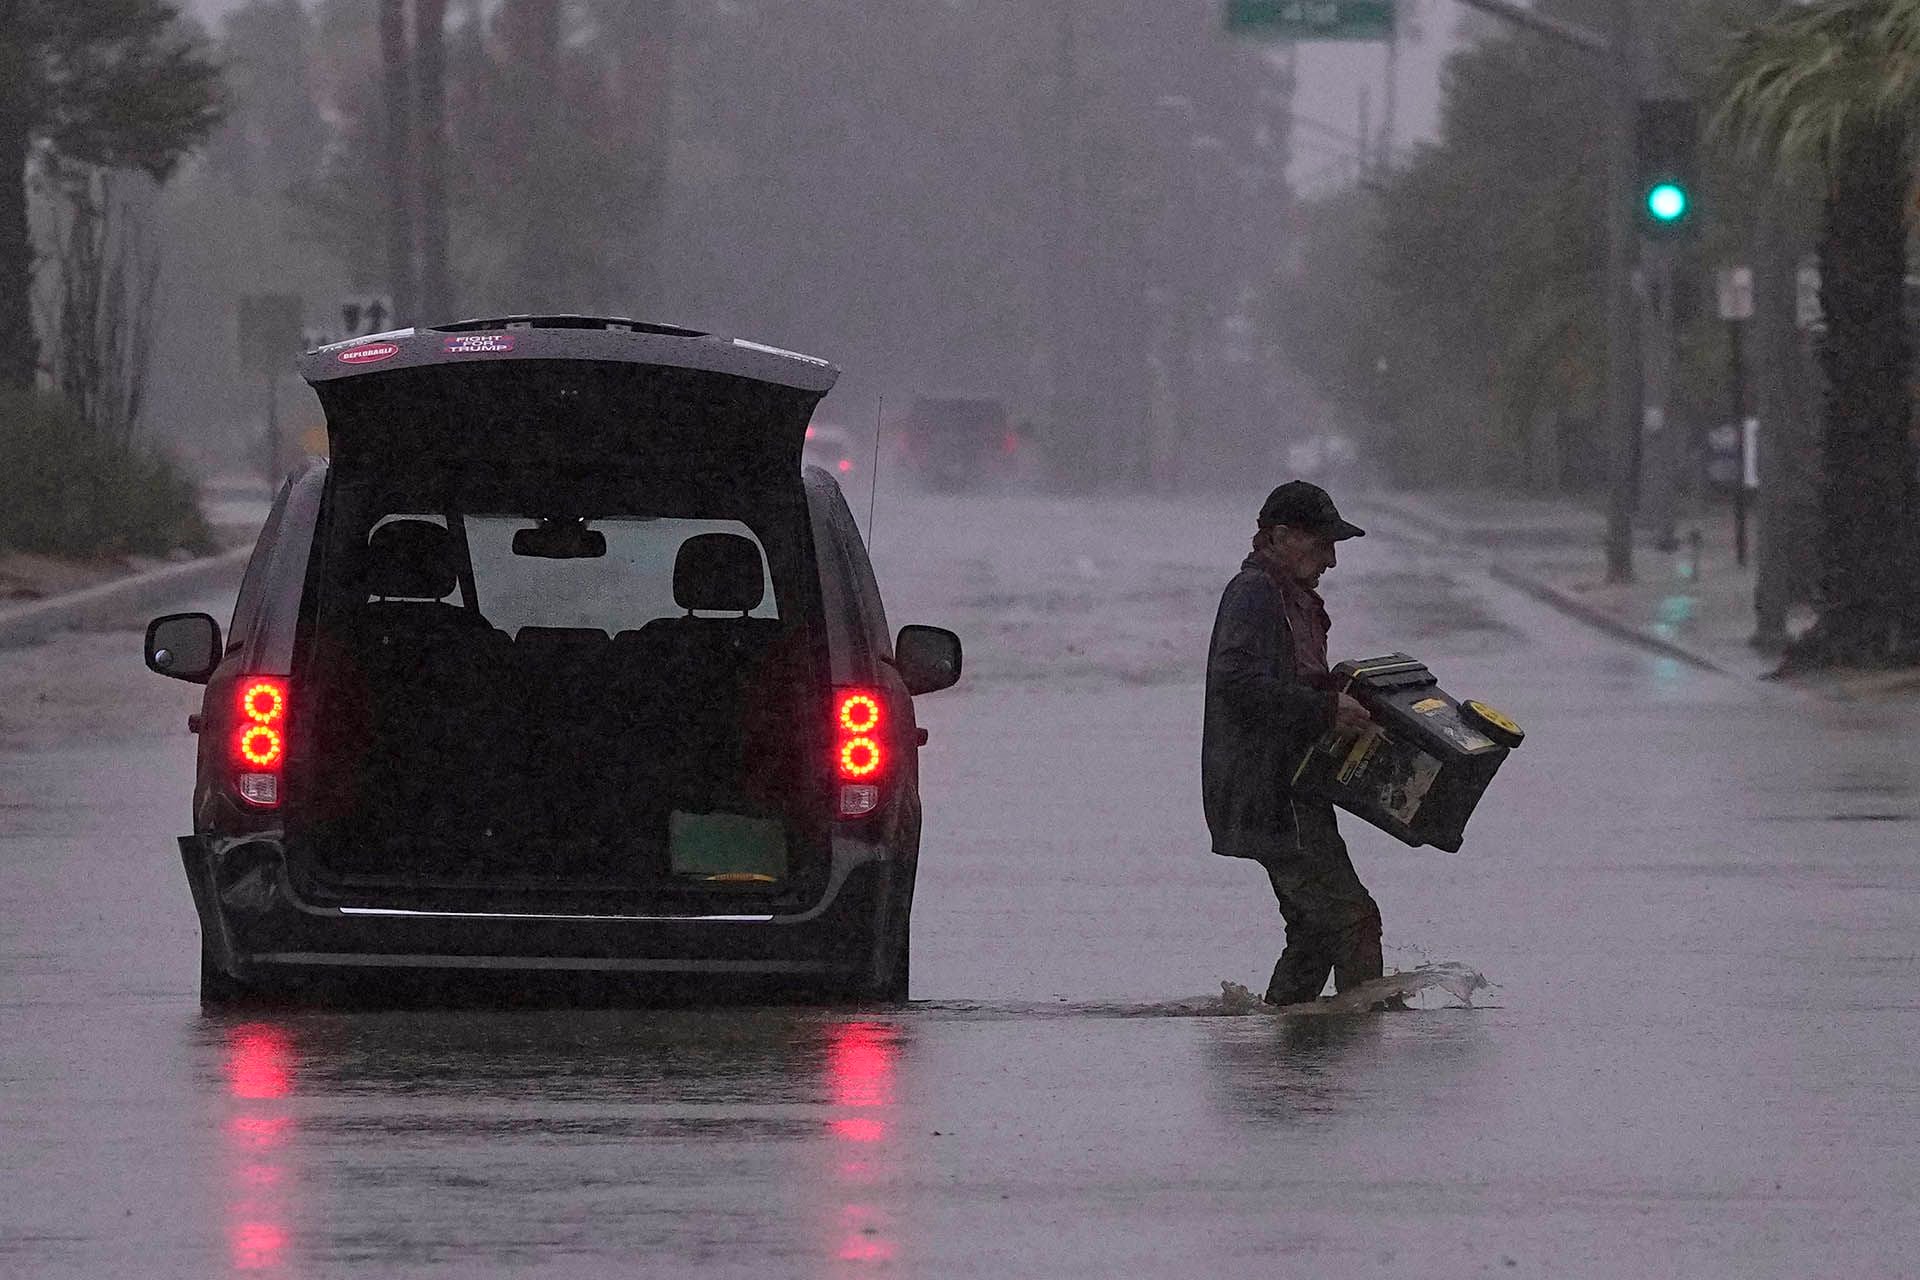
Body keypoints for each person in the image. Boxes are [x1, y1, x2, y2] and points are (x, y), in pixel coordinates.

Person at [1202, 480, 1383, 1007]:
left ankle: (1286, 1041)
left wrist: (1341, 695)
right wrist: (1325, 709)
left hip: (1293, 788)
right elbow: (1236, 684)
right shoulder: (1254, 593)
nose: (1331, 560)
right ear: (1279, 537)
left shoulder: (1290, 597)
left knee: (1312, 935)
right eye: (1321, 544)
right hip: (1273, 793)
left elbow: (1291, 681)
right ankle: (1363, 1054)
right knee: (1353, 920)